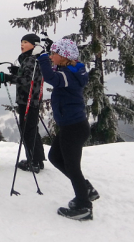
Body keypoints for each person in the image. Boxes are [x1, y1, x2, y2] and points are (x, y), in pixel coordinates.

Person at [35, 38, 99, 221]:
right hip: (71, 126)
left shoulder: (67, 76)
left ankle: (84, 206)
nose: (52, 57)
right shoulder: (70, 70)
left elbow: (50, 77)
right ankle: (86, 190)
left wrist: (43, 57)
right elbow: (54, 72)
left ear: (63, 56)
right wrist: (49, 53)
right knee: (55, 157)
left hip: (73, 128)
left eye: (55, 54)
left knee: (72, 166)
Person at [0, 33, 45, 173]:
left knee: (27, 131)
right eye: (21, 42)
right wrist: (17, 71)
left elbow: (27, 81)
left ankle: (34, 162)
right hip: (32, 100)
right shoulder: (33, 58)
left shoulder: (31, 59)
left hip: (29, 100)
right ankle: (37, 159)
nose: (22, 44)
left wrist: (8, 78)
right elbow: (29, 76)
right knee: (31, 129)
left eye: (25, 42)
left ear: (34, 44)